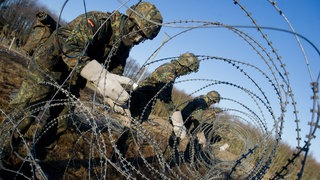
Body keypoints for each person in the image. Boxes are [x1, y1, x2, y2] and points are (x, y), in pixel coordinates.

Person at [1, 1, 163, 157]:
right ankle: (3, 150)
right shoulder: (99, 21)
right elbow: (71, 49)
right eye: (139, 33)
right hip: (51, 63)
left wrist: (115, 98)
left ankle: (35, 157)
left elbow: (114, 71)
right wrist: (99, 76)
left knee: (61, 122)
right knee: (28, 111)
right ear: (131, 20)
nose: (138, 40)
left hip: (74, 76)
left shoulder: (123, 45)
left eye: (144, 38)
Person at [129, 52, 200, 122]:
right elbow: (165, 94)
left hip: (147, 98)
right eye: (188, 70)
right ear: (184, 65)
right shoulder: (169, 70)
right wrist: (174, 114)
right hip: (141, 97)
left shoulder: (171, 69)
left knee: (135, 123)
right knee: (134, 122)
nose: (187, 73)